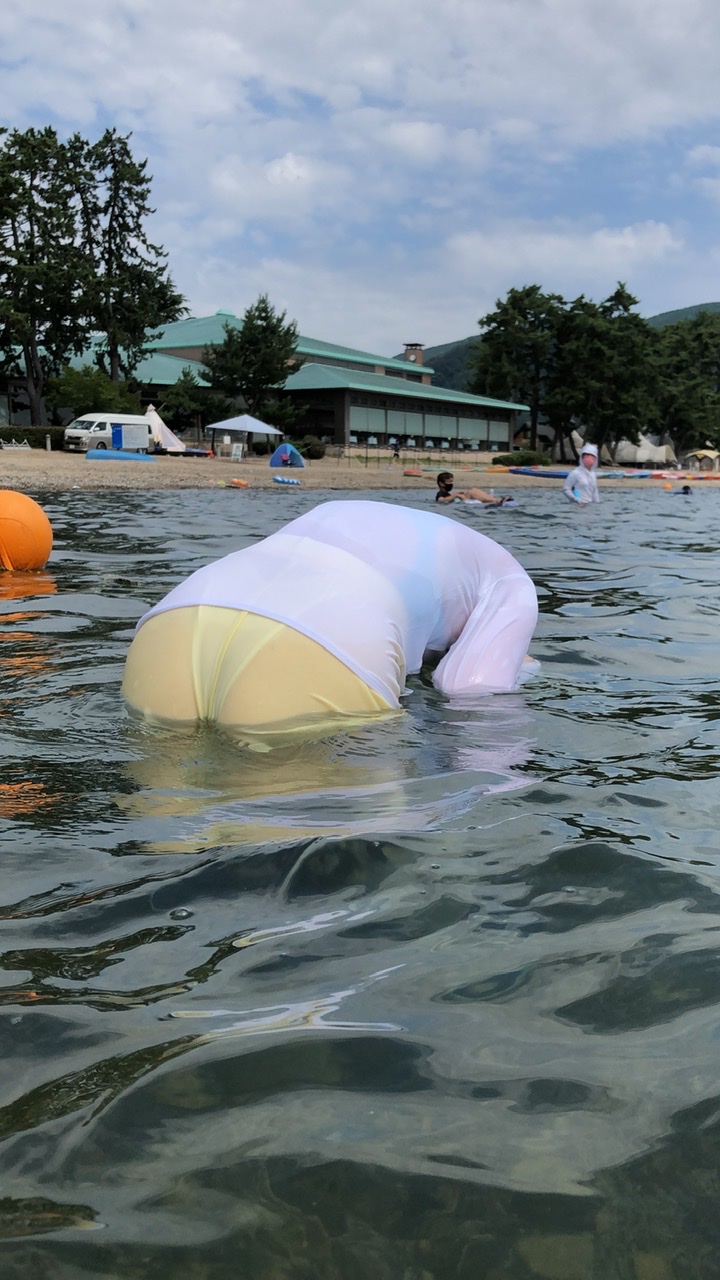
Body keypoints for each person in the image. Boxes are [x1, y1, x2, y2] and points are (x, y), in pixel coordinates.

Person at [122, 500, 538, 738]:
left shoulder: (345, 510)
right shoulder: (511, 581)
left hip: (183, 608)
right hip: (330, 634)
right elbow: (471, 693)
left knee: (169, 832)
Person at [435, 471, 512, 506]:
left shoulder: (447, 494)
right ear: (441, 483)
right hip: (466, 502)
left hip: (465, 502)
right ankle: (497, 500)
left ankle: (497, 499)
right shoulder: (440, 494)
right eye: (449, 482)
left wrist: (457, 494)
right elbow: (440, 500)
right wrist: (456, 495)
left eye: (452, 482)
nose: (451, 484)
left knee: (473, 490)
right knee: (472, 492)